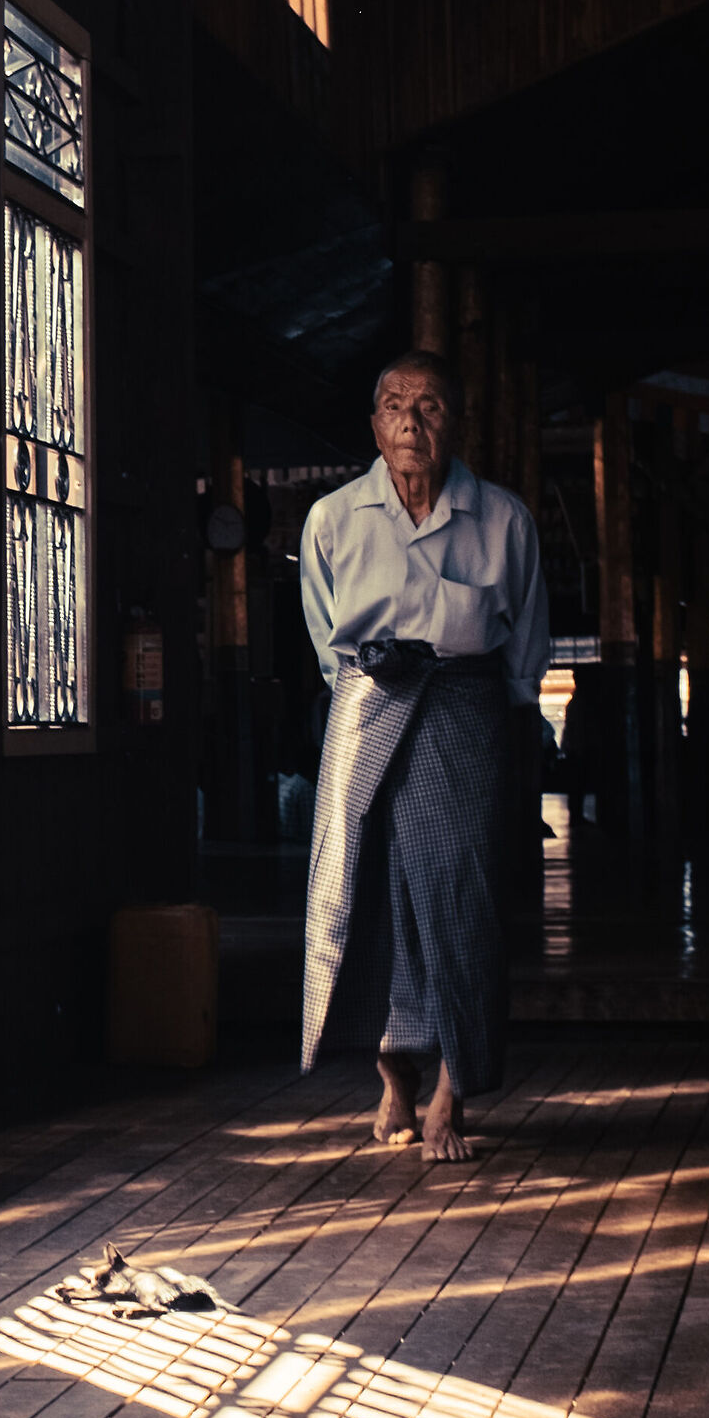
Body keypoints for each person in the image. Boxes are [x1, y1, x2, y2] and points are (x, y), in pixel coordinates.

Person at [299, 350, 550, 1159]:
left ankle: (453, 1087)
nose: (412, 421)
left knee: (461, 892)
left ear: (457, 421)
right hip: (368, 701)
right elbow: (323, 640)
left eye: (431, 405)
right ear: (374, 424)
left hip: (466, 706)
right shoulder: (334, 519)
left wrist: (494, 726)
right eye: (396, 405)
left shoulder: (504, 519)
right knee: (364, 887)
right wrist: (368, 687)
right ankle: (393, 1080)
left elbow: (527, 648)